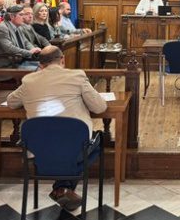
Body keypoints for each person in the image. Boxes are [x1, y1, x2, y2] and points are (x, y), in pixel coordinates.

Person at [7, 46, 107, 211]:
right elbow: (99, 107)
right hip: (75, 148)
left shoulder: (29, 81)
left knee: (64, 150)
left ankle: (62, 188)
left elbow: (11, 102)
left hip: (40, 150)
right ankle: (62, 187)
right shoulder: (77, 76)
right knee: (98, 141)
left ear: (40, 64)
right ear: (63, 60)